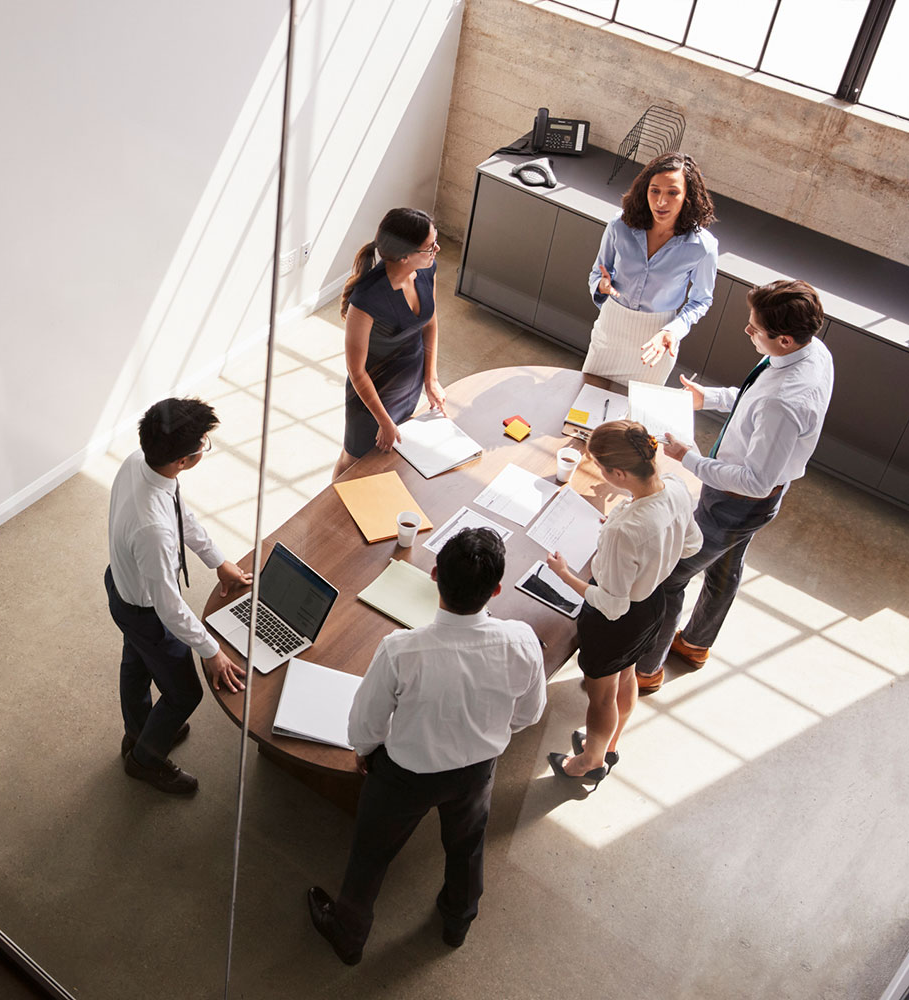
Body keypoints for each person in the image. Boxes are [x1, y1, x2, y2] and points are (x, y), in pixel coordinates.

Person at [306, 528, 545, 962]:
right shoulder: (522, 641)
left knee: (371, 855)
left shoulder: (401, 650)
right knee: (467, 845)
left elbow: (366, 723)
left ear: (434, 575)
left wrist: (364, 750)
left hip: (403, 778)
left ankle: (349, 934)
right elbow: (529, 713)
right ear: (496, 589)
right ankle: (457, 922)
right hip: (476, 772)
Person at [635, 279, 835, 693]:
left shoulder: (786, 402)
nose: (747, 331)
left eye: (754, 329)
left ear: (782, 339)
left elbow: (757, 481)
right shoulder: (812, 350)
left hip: (736, 502)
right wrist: (706, 398)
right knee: (725, 565)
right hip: (746, 502)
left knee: (670, 577)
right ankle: (694, 644)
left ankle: (647, 669)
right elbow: (753, 399)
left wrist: (689, 458)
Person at [105, 397, 252, 794]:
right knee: (185, 693)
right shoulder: (153, 531)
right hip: (144, 609)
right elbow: (169, 607)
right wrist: (212, 650)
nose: (205, 446)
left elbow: (180, 512)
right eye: (203, 443)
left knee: (135, 665)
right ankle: (144, 760)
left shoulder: (140, 461)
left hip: (120, 584)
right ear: (184, 461)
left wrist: (217, 560)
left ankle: (138, 733)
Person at [542, 421, 701, 781]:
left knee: (601, 697)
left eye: (598, 465)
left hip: (616, 621)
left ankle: (589, 762)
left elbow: (612, 605)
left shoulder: (623, 532)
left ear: (617, 472)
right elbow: (692, 544)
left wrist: (565, 575)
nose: (597, 470)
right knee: (626, 675)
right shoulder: (675, 489)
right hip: (652, 607)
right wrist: (649, 554)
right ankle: (610, 745)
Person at [582, 152, 718, 386]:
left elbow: (701, 301)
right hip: (611, 329)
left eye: (672, 193)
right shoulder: (620, 225)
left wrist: (673, 331)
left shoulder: (702, 247)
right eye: (654, 190)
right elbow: (598, 272)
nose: (661, 202)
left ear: (688, 196)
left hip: (656, 340)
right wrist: (602, 286)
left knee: (632, 419)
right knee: (583, 409)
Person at [333, 208, 446, 479]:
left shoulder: (426, 270)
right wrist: (383, 421)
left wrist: (430, 379)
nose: (437, 249)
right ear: (405, 256)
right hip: (372, 398)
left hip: (409, 385)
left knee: (389, 461)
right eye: (430, 246)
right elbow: (356, 371)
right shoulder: (367, 300)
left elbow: (429, 322)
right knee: (353, 461)